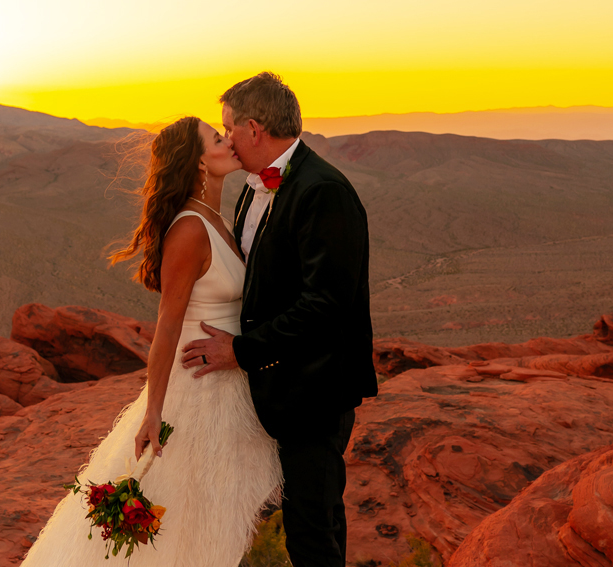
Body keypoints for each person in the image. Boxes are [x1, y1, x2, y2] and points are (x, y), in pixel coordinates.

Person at [19, 116, 283, 566]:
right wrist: (153, 411)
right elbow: (166, 326)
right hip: (200, 394)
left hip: (228, 385)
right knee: (188, 526)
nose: (229, 143)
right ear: (199, 163)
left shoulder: (216, 218)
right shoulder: (190, 230)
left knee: (211, 522)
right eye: (217, 139)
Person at [181, 72, 378, 567]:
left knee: (312, 532)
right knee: (312, 526)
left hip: (315, 392)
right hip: (280, 390)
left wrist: (241, 350)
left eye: (228, 129)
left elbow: (324, 306)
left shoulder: (323, 191)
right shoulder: (252, 187)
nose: (225, 139)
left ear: (253, 128)